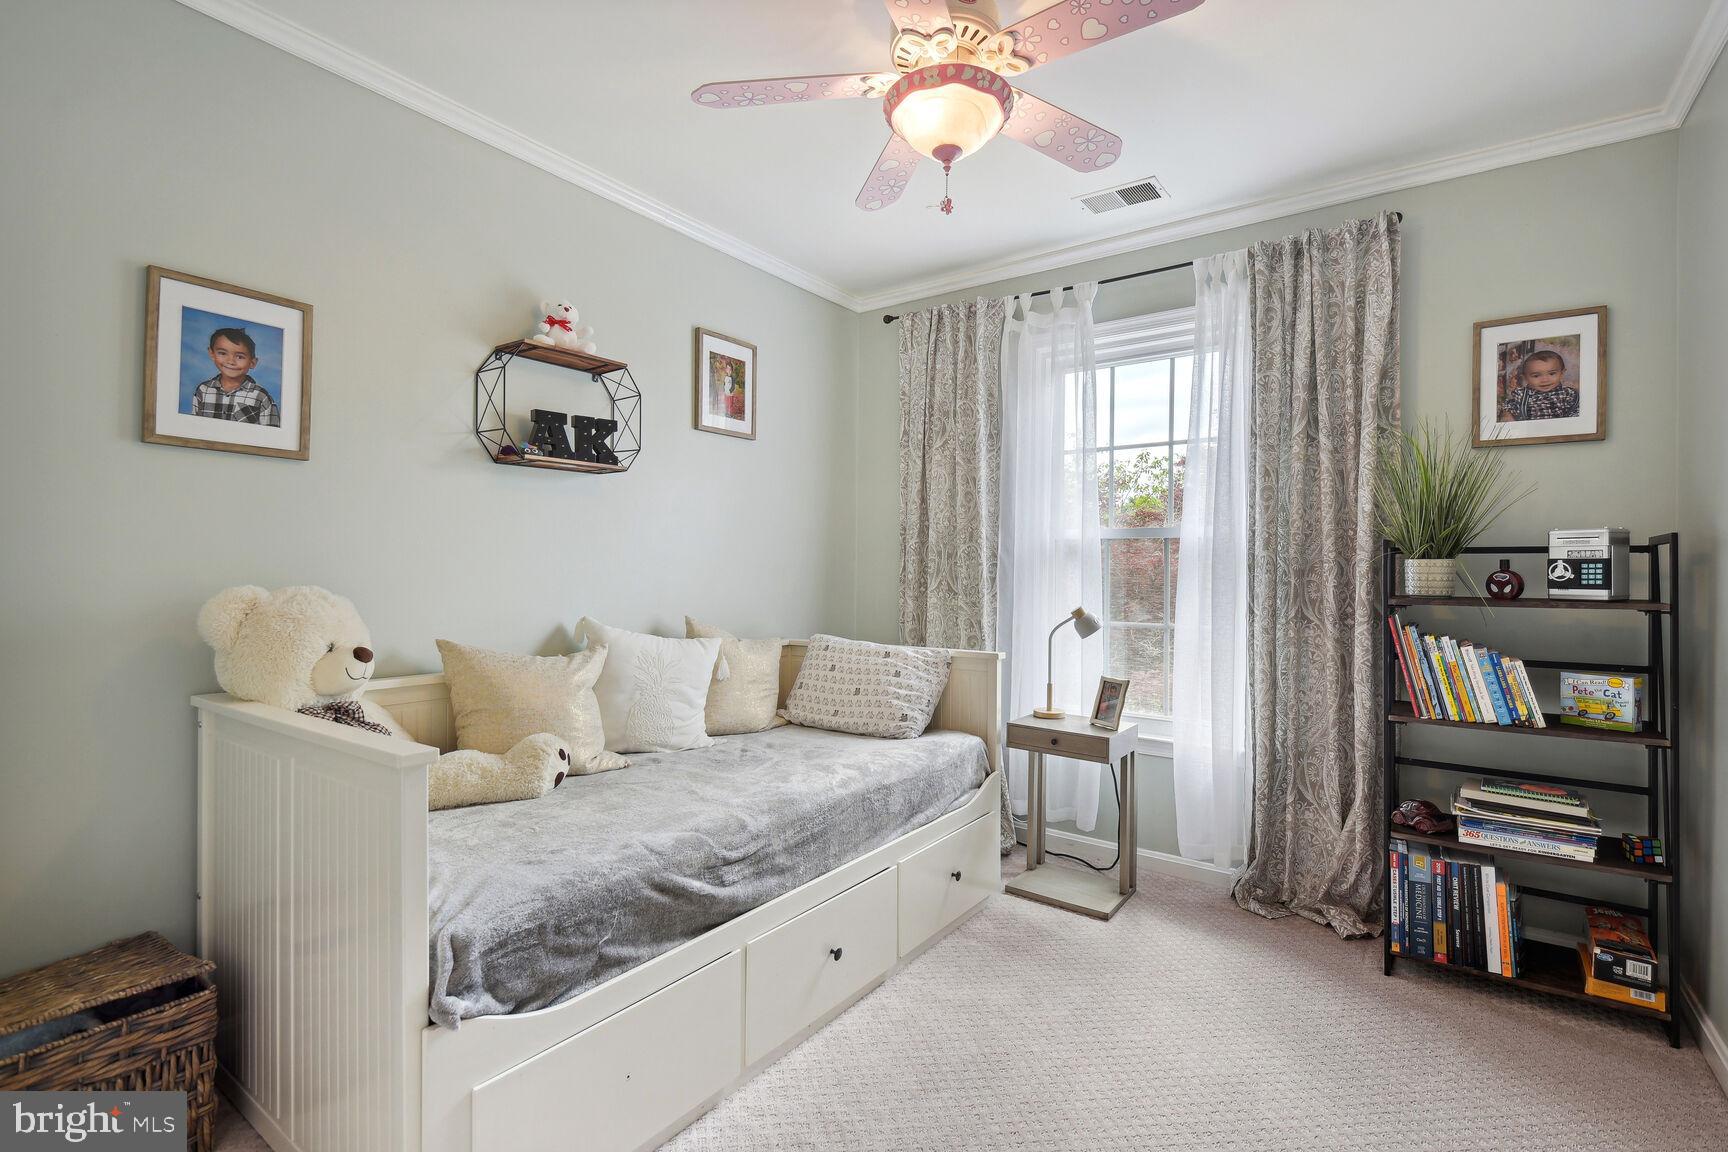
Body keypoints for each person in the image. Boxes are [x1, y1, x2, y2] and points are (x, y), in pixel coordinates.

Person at [191, 327, 281, 426]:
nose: (231, 361)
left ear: (252, 363)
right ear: (212, 353)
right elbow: (194, 425)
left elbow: (271, 431)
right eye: (222, 353)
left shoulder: (261, 396)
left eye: (240, 357)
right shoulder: (203, 390)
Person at [1513, 348, 1578, 421]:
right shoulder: (1521, 394)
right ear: (1525, 378)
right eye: (1536, 376)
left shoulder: (1568, 394)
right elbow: (1509, 408)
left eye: (1551, 374)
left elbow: (1577, 413)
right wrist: (1508, 415)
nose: (1545, 380)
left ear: (1561, 374)